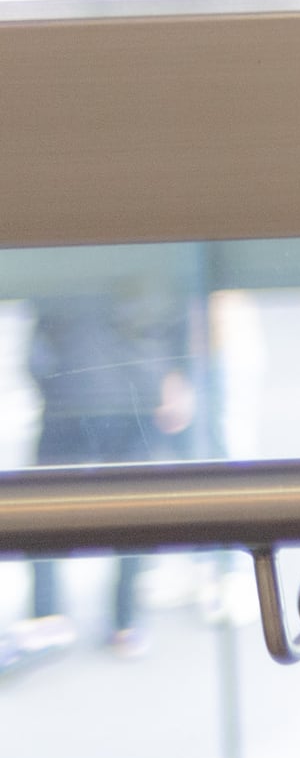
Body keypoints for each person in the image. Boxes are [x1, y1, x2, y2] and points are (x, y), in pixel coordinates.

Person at [25, 279, 200, 652]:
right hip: (112, 395)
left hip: (89, 397)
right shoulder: (146, 255)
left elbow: (40, 336)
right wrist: (173, 377)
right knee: (127, 509)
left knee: (46, 508)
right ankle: (117, 619)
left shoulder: (68, 259)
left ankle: (56, 618)